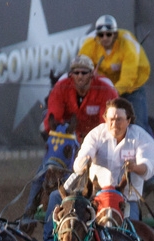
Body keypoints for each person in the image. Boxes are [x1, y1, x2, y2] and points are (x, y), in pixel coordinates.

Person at [43, 98, 154, 241]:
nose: (114, 124)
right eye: (111, 119)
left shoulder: (141, 138)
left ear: (129, 121)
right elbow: (81, 160)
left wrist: (134, 167)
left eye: (119, 120)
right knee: (56, 198)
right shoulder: (96, 134)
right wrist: (85, 162)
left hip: (127, 199)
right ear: (105, 119)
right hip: (95, 196)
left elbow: (149, 166)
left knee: (131, 238)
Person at [21, 55, 118, 226]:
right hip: (69, 136)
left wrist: (91, 144)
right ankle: (28, 213)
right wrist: (62, 131)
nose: (80, 76)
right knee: (43, 172)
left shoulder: (106, 90)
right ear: (71, 75)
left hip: (98, 138)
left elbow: (109, 125)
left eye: (84, 72)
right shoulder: (61, 87)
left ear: (91, 75)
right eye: (76, 73)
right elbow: (53, 117)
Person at [78, 15, 153, 138]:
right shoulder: (89, 45)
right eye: (101, 35)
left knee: (137, 124)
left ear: (115, 34)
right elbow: (81, 68)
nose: (105, 38)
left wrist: (111, 93)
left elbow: (128, 78)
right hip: (106, 89)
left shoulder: (128, 44)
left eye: (109, 34)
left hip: (132, 88)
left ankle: (151, 145)